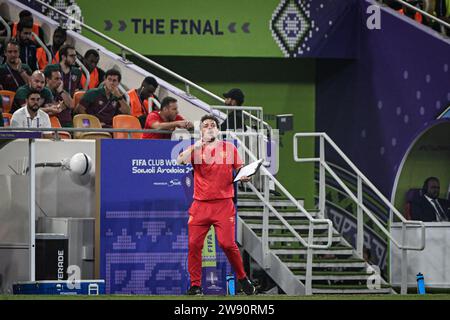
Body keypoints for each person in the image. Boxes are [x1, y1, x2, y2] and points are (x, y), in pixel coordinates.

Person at [177, 114, 256, 296]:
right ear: (201, 130)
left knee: (227, 244)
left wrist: (246, 177)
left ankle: (243, 278)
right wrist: (197, 145)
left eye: (213, 125)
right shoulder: (195, 150)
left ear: (218, 130)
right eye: (206, 125)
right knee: (194, 245)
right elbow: (179, 160)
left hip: (224, 204)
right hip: (200, 205)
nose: (210, 127)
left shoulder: (229, 148)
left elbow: (242, 171)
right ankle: (195, 285)